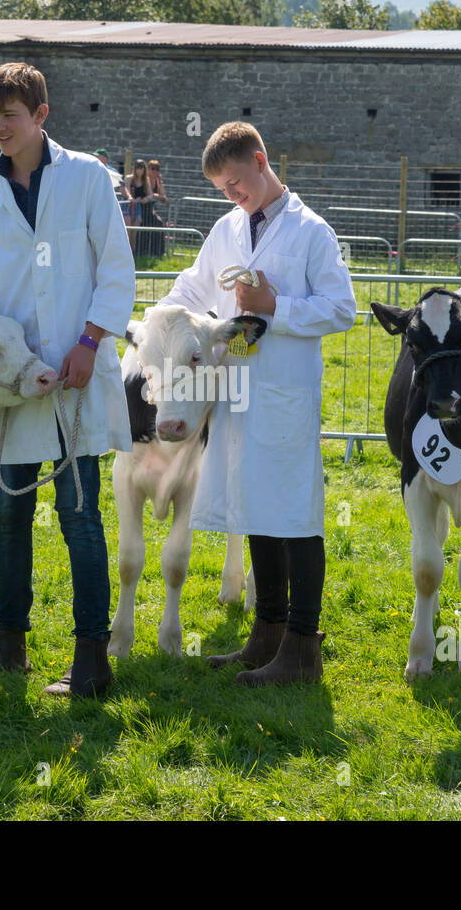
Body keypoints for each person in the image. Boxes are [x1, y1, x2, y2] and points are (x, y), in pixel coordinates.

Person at [152, 121, 357, 686]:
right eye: (222, 187)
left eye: (236, 181)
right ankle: (266, 632)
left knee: (295, 512)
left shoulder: (311, 231)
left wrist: (276, 307)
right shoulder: (226, 228)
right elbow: (192, 289)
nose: (232, 194)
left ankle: (302, 646)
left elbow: (342, 309)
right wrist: (155, 322)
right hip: (236, 393)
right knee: (254, 505)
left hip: (285, 392)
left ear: (262, 161)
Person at [0, 62, 135, 698]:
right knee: (9, 512)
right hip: (16, 384)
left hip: (79, 376)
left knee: (80, 514)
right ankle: (10, 654)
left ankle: (92, 663)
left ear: (41, 115)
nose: (0, 127)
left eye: (11, 114)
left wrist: (90, 340)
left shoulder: (87, 178)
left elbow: (116, 268)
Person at [136, 159, 168, 259]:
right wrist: (156, 196)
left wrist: (160, 181)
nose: (155, 171)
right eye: (153, 168)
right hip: (141, 209)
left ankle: (158, 252)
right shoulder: (144, 180)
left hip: (150, 210)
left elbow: (164, 196)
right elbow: (151, 195)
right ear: (148, 169)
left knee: (159, 224)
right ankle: (141, 253)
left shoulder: (156, 181)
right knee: (144, 227)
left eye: (157, 169)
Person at [121, 159, 150, 252]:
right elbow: (126, 189)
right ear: (135, 168)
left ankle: (132, 255)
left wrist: (145, 199)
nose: (139, 170)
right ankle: (124, 254)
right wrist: (130, 197)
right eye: (138, 168)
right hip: (127, 206)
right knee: (127, 231)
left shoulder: (145, 180)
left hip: (137, 207)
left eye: (141, 168)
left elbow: (150, 194)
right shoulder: (129, 178)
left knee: (134, 234)